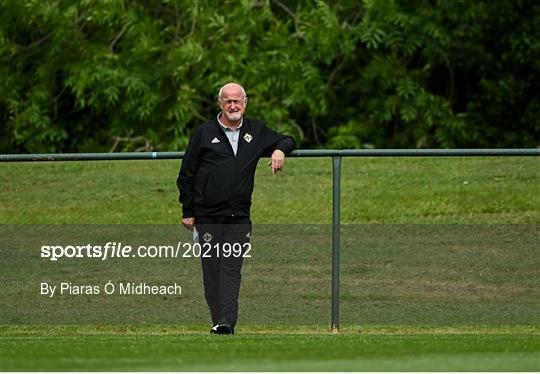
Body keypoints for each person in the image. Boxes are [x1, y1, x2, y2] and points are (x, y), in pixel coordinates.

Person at [176, 83, 295, 335]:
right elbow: (186, 174)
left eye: (237, 101)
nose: (233, 106)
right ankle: (218, 319)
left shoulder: (256, 131)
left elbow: (288, 138)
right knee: (212, 270)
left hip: (239, 216)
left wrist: (279, 150)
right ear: (220, 104)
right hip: (207, 216)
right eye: (228, 101)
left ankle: (227, 322)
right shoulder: (204, 133)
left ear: (245, 103)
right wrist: (188, 211)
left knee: (231, 268)